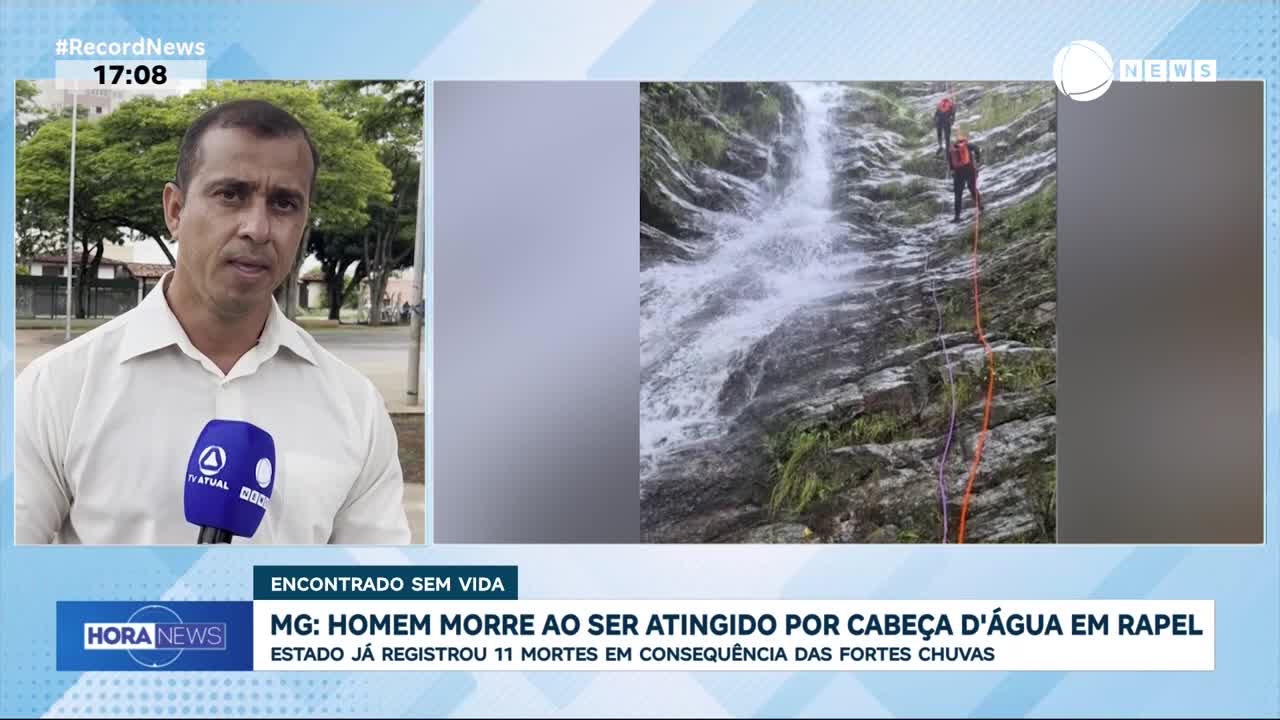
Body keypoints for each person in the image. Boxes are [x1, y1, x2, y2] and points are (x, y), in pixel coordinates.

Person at [15, 99, 412, 545]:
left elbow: (371, 591)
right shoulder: (58, 387)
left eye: (284, 204)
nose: (257, 228)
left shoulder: (355, 408)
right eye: (231, 195)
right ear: (175, 210)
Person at [947, 132, 983, 223]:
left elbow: (950, 162)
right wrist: (977, 161)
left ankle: (957, 217)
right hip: (970, 170)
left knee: (958, 195)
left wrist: (952, 171)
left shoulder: (952, 149)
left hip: (958, 173)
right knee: (973, 189)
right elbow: (977, 149)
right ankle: (980, 206)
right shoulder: (967, 145)